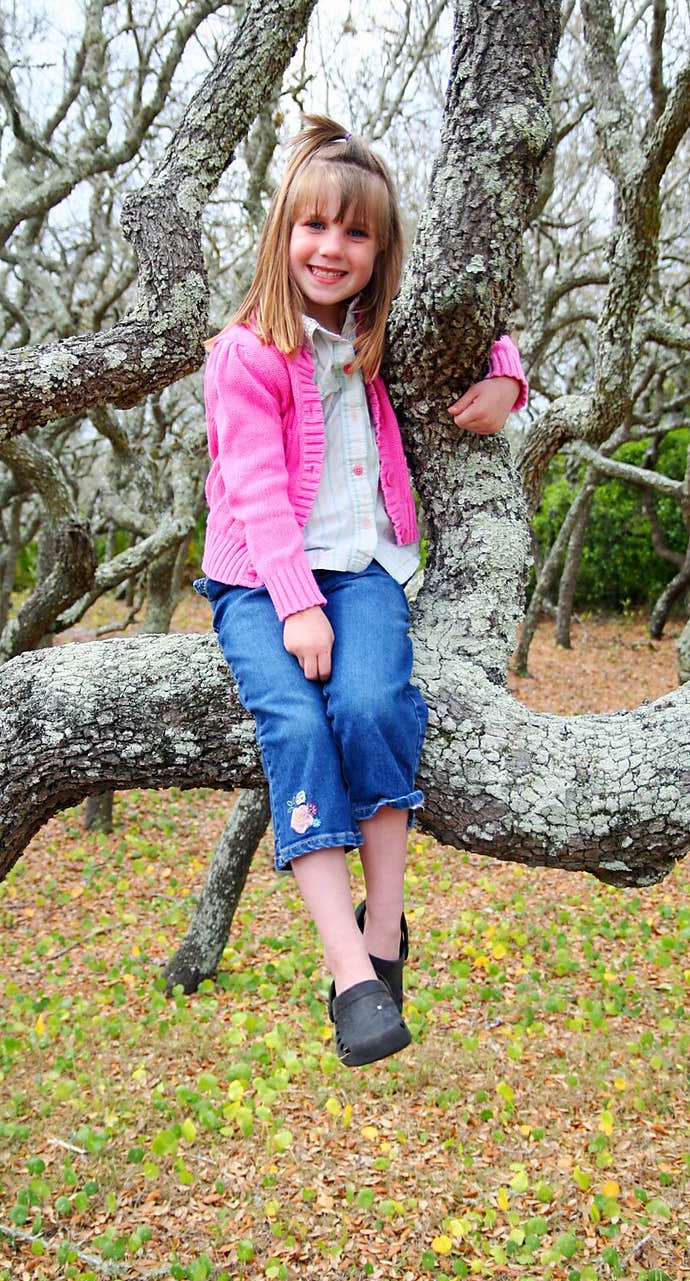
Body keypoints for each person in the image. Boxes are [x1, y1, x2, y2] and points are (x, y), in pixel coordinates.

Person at [195, 114, 527, 1067]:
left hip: (371, 570)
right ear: (282, 233)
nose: (330, 249)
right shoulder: (248, 355)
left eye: (354, 233)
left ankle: (386, 932)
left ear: (380, 251)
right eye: (313, 227)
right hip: (260, 583)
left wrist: (508, 379)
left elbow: (485, 336)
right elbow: (255, 492)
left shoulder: (384, 338)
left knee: (374, 704)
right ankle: (348, 974)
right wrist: (297, 604)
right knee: (297, 727)